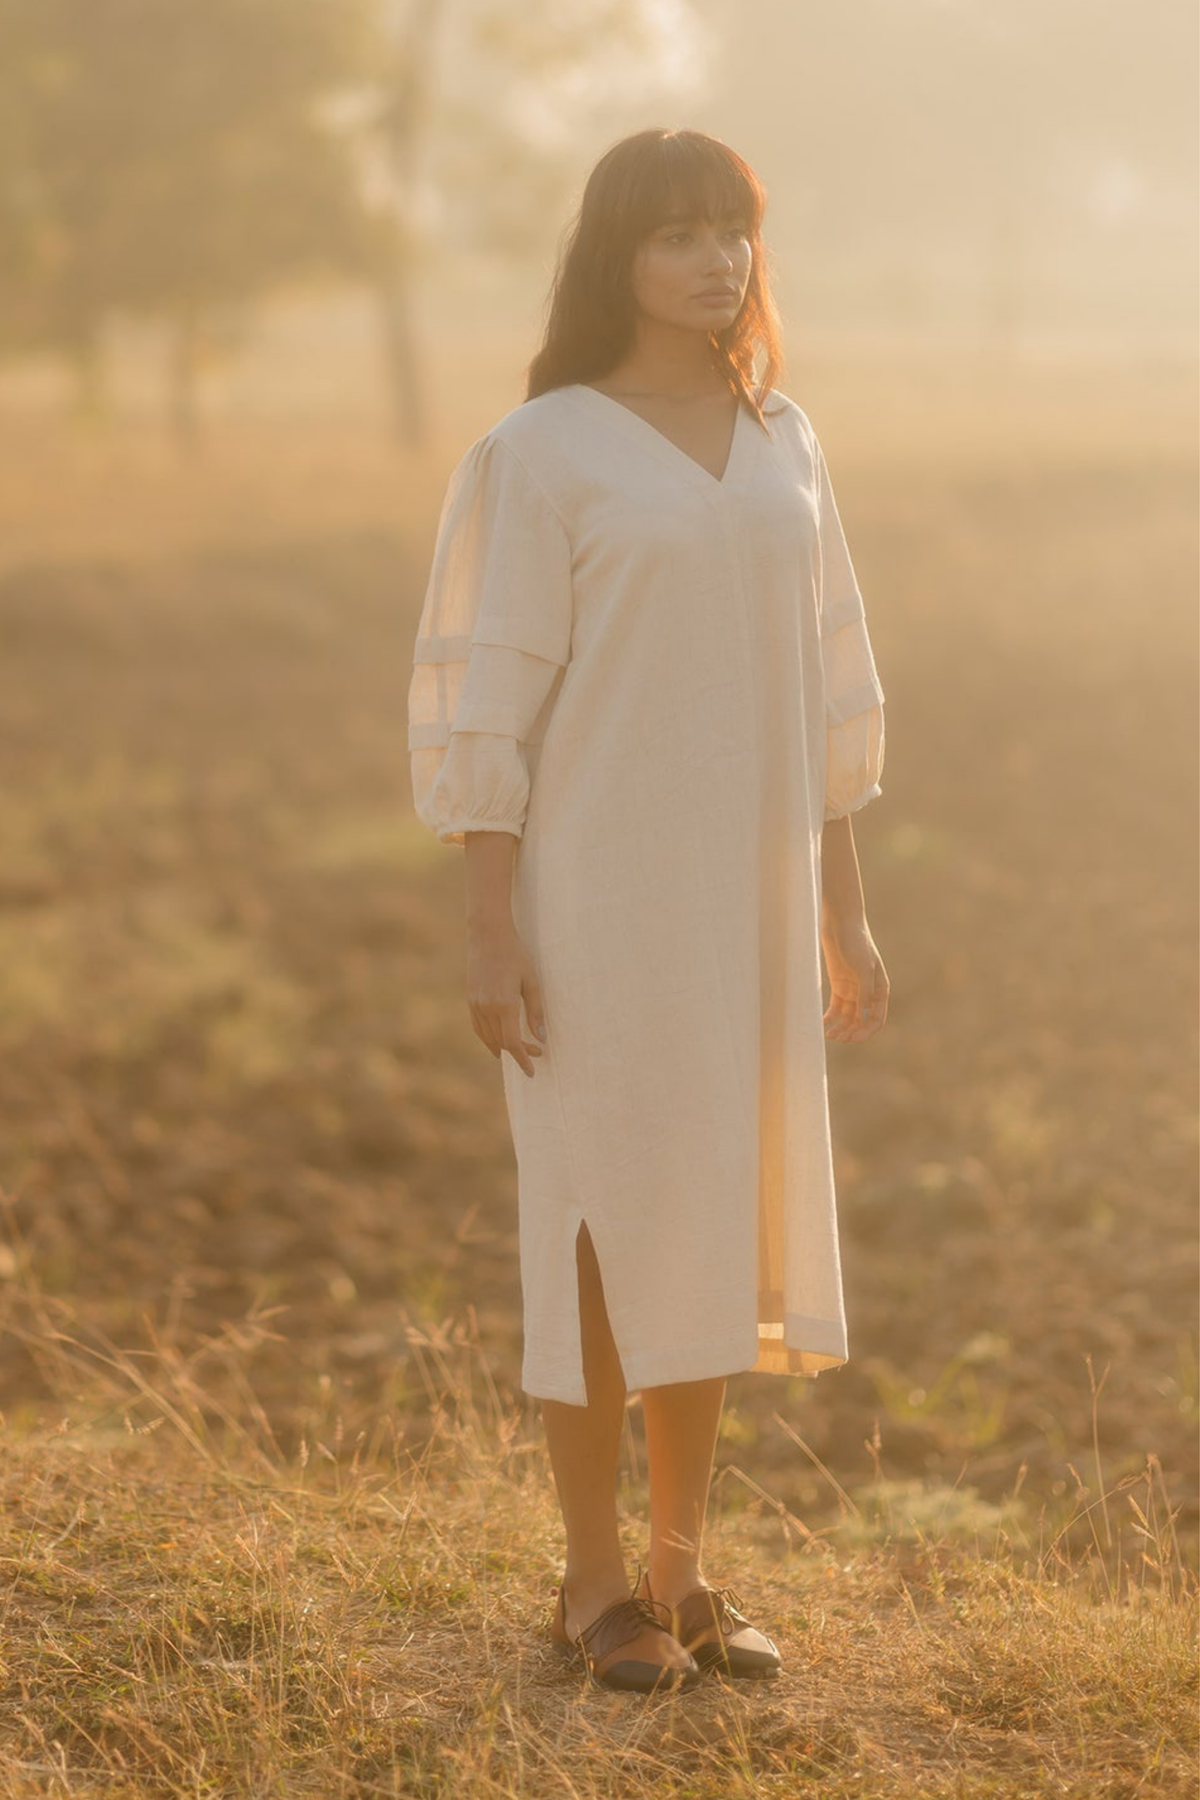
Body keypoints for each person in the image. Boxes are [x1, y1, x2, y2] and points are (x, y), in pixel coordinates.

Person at [407, 127, 889, 1695]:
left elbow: (824, 688)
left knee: (715, 1214)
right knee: (605, 1228)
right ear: (615, 254)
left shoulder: (783, 437)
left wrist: (843, 906)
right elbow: (493, 703)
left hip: (744, 897)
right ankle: (593, 1584)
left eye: (734, 231)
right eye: (677, 233)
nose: (715, 261)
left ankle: (686, 1581)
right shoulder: (542, 448)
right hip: (596, 894)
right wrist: (492, 923)